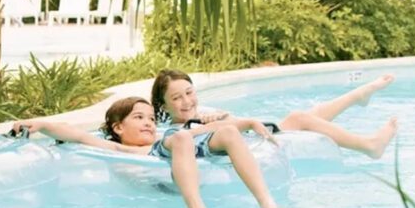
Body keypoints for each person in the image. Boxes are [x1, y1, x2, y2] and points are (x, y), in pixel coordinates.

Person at [12, 96, 282, 208]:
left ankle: (267, 203)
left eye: (151, 118)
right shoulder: (120, 148)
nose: (148, 123)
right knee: (182, 137)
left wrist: (247, 122)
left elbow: (205, 130)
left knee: (228, 134)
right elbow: (76, 134)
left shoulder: (165, 135)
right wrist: (40, 125)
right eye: (138, 118)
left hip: (184, 144)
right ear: (118, 128)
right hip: (175, 146)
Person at [150, 69, 399, 160]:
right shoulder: (175, 132)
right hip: (262, 147)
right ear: (164, 105)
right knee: (301, 119)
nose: (186, 102)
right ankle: (368, 145)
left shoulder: (202, 113)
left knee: (303, 117)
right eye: (176, 98)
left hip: (258, 137)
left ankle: (357, 96)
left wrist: (219, 116)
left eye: (189, 92)